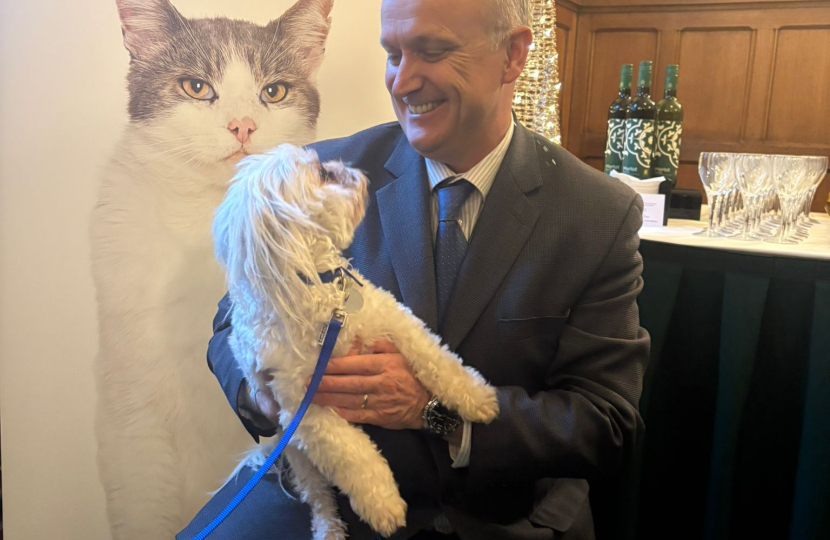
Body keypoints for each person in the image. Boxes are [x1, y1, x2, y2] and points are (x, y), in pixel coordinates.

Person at [179, 0, 650, 538]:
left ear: (514, 55)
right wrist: (268, 392)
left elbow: (605, 426)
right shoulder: (317, 174)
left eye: (433, 51)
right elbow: (230, 323)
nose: (403, 81)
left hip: (500, 514)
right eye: (393, 53)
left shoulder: (596, 213)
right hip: (332, 505)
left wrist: (431, 412)